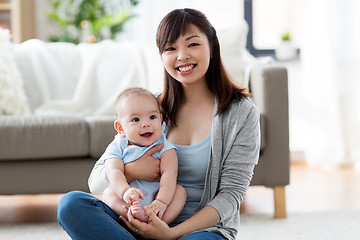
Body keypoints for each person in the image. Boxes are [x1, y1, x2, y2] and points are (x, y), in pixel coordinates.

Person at [58, 8, 260, 240]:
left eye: (192, 44)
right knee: (72, 204)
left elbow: (231, 196)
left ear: (212, 48)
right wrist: (132, 169)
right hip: (135, 221)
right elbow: (95, 182)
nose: (182, 56)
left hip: (197, 231)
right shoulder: (150, 109)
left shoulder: (241, 113)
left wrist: (170, 234)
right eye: (170, 48)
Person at [102, 87, 186, 224]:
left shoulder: (164, 146)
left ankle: (159, 225)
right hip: (130, 199)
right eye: (135, 120)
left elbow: (169, 174)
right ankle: (133, 216)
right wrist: (125, 192)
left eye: (152, 117)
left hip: (158, 201)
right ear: (120, 128)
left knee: (180, 192)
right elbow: (114, 171)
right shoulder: (118, 146)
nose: (146, 124)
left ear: (160, 119)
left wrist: (161, 201)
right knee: (108, 193)